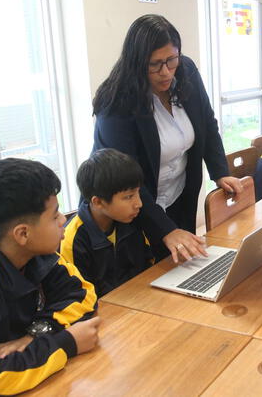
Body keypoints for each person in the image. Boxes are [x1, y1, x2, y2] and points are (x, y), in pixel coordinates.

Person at [91, 14, 242, 264]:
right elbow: (127, 179)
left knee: (185, 269)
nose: (166, 72)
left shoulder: (186, 70)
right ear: (137, 63)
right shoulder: (117, 102)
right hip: (130, 208)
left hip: (178, 195)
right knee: (145, 279)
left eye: (172, 60)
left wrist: (219, 171)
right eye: (155, 64)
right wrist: (165, 229)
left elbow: (206, 122)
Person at [0, 158, 99, 395]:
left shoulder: (35, 253)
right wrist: (66, 343)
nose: (63, 220)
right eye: (54, 215)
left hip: (16, 368)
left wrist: (35, 334)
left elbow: (83, 293)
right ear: (23, 233)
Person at [60, 149, 154, 297]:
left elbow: (147, 265)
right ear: (98, 202)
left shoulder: (129, 220)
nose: (139, 203)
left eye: (138, 193)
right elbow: (77, 296)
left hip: (137, 299)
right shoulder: (73, 239)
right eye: (129, 197)